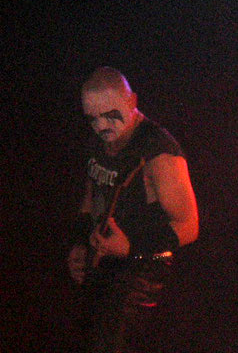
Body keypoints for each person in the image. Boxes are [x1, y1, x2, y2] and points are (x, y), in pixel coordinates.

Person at [67, 66, 199, 353]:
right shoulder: (100, 141)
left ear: (132, 101)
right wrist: (80, 244)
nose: (101, 125)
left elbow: (189, 226)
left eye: (110, 114)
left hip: (144, 270)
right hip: (105, 263)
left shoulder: (158, 151)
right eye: (93, 118)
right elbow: (92, 198)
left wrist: (131, 246)